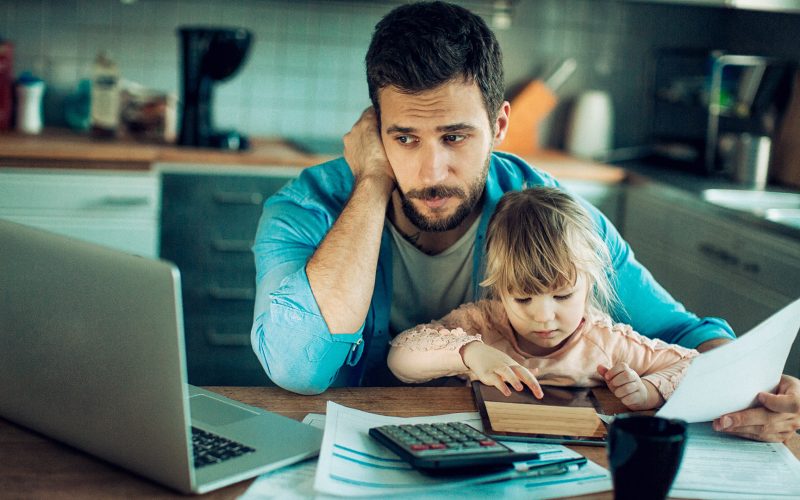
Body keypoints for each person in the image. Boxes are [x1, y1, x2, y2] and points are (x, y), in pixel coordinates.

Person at [250, 1, 800, 441]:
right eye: (404, 138)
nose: (431, 170)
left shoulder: (546, 213)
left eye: (456, 137)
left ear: (500, 124)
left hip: (502, 455)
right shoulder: (307, 208)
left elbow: (685, 335)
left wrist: (757, 388)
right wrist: (371, 184)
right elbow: (299, 367)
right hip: (345, 451)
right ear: (374, 131)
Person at [388, 187, 698, 411]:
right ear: (500, 289)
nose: (544, 317)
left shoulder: (607, 342)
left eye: (562, 295)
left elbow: (694, 366)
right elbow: (400, 359)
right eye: (523, 299)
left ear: (589, 283)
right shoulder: (483, 323)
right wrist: (470, 353)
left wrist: (648, 391)